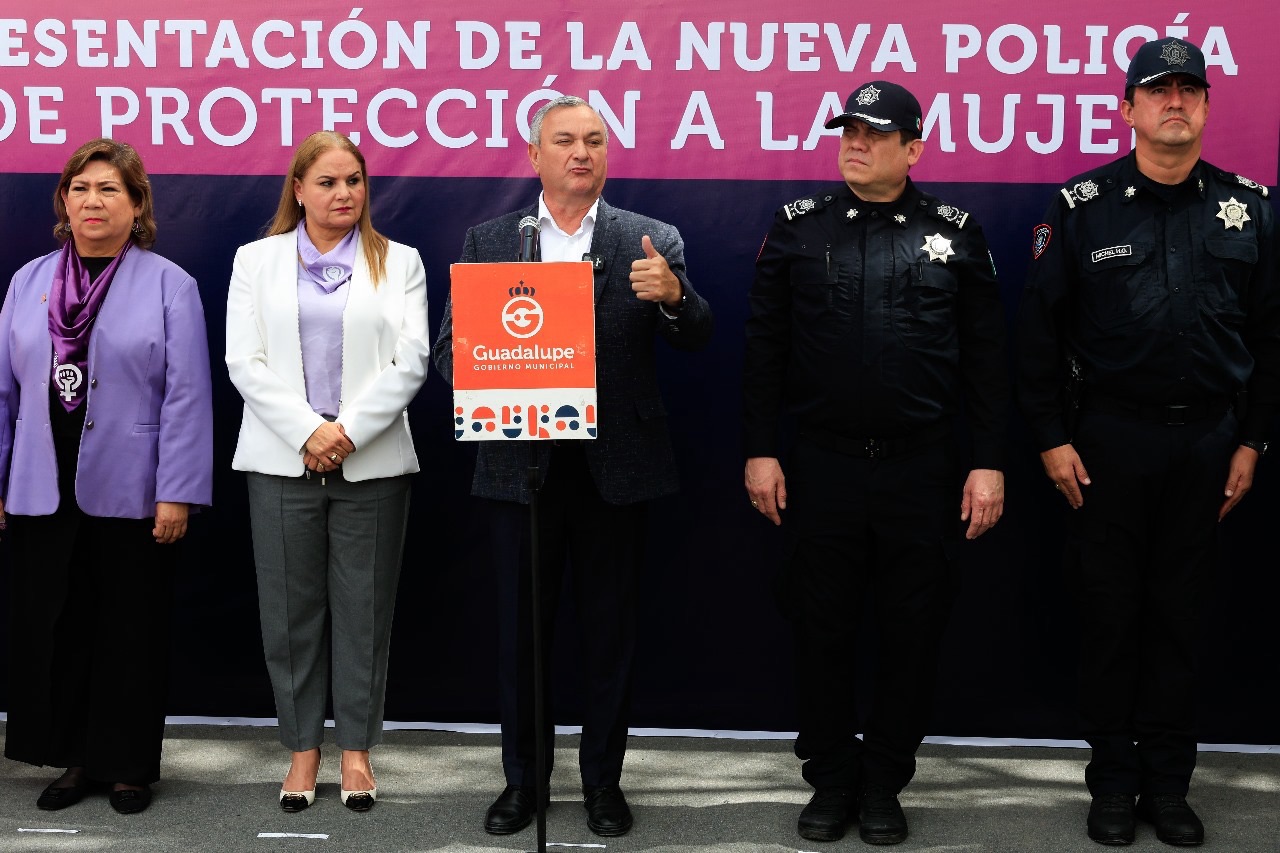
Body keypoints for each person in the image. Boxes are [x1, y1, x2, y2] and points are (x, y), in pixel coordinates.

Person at [1015, 37, 1279, 847]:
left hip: (1209, 443)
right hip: (1108, 443)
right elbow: (1038, 334)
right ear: (1127, 108)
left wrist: (1253, 441)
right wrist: (1050, 439)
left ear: (1206, 106)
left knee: (1179, 620)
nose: (1175, 102)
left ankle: (1168, 784)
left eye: (1189, 90)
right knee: (1110, 618)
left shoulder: (1249, 206)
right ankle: (1112, 782)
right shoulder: (1082, 204)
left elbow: (1270, 336)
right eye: (1158, 90)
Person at [432, 95, 712, 838]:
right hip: (520, 467)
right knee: (521, 639)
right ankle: (523, 783)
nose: (580, 152)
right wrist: (494, 369)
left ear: (607, 155)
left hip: (616, 469)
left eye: (593, 140)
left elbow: (697, 333)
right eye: (564, 140)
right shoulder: (492, 240)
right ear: (535, 155)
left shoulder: (651, 238)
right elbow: (448, 353)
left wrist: (675, 297)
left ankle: (602, 784)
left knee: (610, 638)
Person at [743, 80, 1009, 845]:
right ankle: (831, 778)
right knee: (819, 628)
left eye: (874, 133)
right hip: (821, 466)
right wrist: (759, 448)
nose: (855, 143)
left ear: (913, 148)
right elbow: (764, 350)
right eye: (848, 131)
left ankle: (886, 779)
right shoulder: (798, 227)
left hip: (921, 469)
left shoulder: (956, 233)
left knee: (912, 631)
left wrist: (989, 462)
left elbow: (987, 361)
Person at [0, 139, 213, 815]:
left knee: (130, 628)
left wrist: (177, 490)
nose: (93, 201)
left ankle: (127, 767)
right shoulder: (27, 281)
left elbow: (187, 395)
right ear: (64, 202)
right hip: (40, 482)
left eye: (109, 189)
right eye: (81, 188)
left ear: (137, 205)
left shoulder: (170, 284)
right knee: (60, 625)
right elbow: (3, 391)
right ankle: (75, 758)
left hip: (134, 487)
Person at [225, 130, 430, 814]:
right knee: (290, 616)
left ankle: (357, 751)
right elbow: (244, 360)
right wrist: (307, 431)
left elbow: (412, 360)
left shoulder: (400, 261)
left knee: (365, 613)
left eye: (354, 181)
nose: (344, 193)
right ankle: (302, 750)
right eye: (328, 182)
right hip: (281, 460)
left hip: (371, 463)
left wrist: (345, 433)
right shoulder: (255, 260)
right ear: (299, 189)